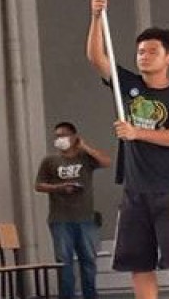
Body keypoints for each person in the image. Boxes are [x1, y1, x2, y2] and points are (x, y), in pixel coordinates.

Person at [86, 0, 169, 299]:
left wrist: (137, 133)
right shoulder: (129, 85)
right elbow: (97, 58)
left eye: (152, 51)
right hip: (135, 189)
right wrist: (97, 17)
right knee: (139, 262)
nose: (144, 56)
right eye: (140, 51)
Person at [35, 122, 111, 299]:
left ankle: (90, 295)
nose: (59, 139)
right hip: (60, 218)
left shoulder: (85, 158)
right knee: (64, 261)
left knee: (89, 260)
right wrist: (59, 188)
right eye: (57, 136)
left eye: (63, 135)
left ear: (73, 136)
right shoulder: (50, 161)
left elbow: (106, 161)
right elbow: (39, 185)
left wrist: (84, 146)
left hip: (85, 218)